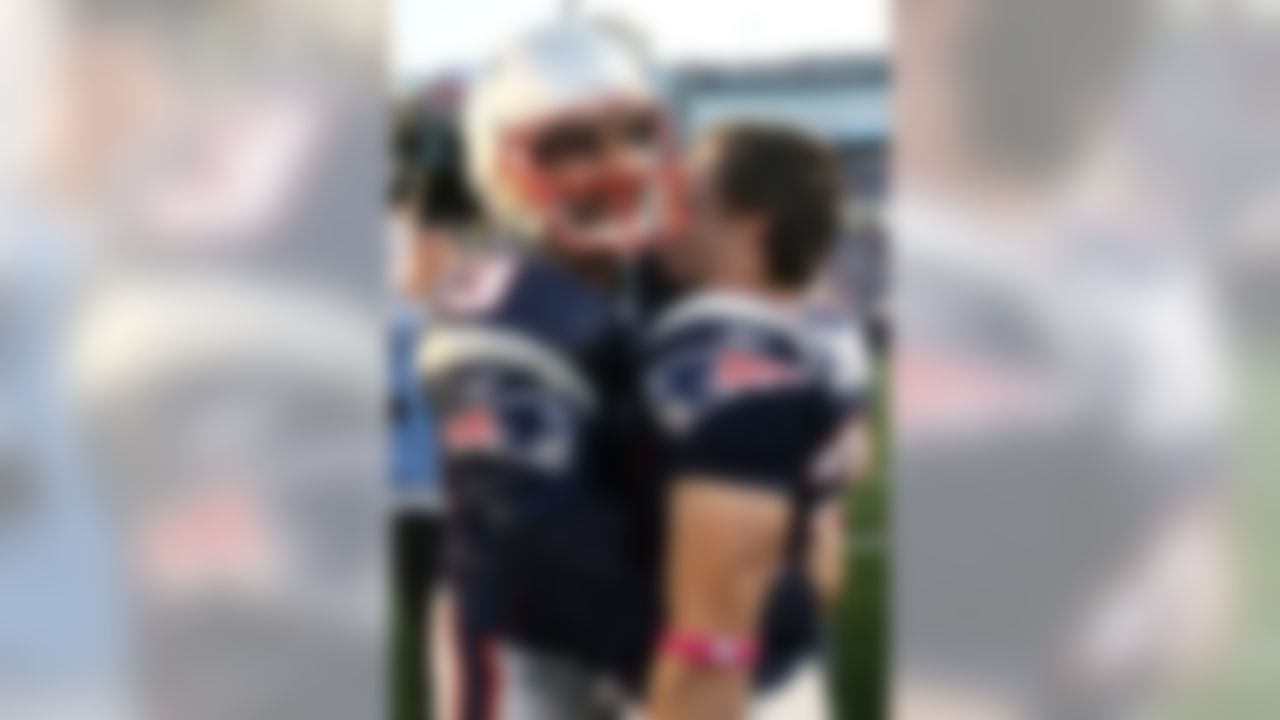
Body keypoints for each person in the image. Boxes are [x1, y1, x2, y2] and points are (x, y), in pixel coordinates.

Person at [416, 18, 682, 720]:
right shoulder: (503, 314)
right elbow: (544, 546)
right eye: (573, 146)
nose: (619, 163)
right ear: (507, 170)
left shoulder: (653, 278)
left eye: (631, 133)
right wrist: (701, 643)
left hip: (629, 622)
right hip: (532, 654)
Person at [638, 125, 871, 720]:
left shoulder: (729, 358)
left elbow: (706, 644)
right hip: (784, 651)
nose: (668, 218)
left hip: (714, 684)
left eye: (690, 201)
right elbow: (852, 466)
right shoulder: (825, 323)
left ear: (753, 224)